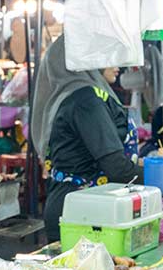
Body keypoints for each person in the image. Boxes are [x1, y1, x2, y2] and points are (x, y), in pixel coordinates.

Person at [32, 35, 139, 242]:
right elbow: (116, 168)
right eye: (107, 54)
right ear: (85, 60)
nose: (117, 63)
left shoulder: (76, 96)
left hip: (78, 207)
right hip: (83, 215)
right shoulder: (85, 101)